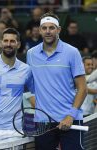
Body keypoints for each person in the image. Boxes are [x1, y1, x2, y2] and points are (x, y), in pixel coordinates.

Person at [27, 12, 87, 150]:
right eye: (44, 28)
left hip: (70, 120)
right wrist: (35, 104)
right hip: (43, 122)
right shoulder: (31, 54)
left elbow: (82, 89)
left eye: (52, 27)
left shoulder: (72, 52)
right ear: (40, 30)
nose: (48, 31)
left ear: (58, 29)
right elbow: (30, 85)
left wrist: (70, 116)